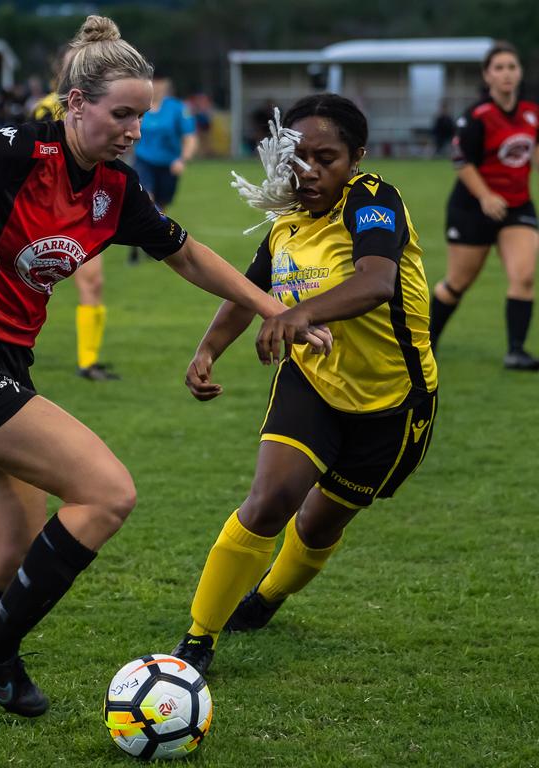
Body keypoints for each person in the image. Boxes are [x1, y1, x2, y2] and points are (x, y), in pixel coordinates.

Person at [0, 15, 327, 716]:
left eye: (143, 115)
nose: (133, 129)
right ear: (76, 105)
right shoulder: (23, 149)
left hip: (2, 364)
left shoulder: (117, 189)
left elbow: (188, 253)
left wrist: (273, 309)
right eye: (121, 114)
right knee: (107, 494)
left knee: (9, 549)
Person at [170, 94, 438, 676]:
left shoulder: (373, 200)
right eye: (297, 157)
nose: (309, 171)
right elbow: (248, 293)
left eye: (327, 157)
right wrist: (208, 348)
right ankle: (197, 640)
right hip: (312, 383)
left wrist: (297, 314)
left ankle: (266, 598)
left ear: (356, 158)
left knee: (319, 524)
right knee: (270, 500)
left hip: (394, 402)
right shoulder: (286, 225)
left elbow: (377, 283)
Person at [429, 42, 539, 371]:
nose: (507, 73)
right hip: (471, 208)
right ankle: (427, 341)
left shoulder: (532, 113)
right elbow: (461, 161)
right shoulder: (477, 116)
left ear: (520, 73)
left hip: (517, 206)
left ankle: (516, 351)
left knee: (525, 275)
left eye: (512, 67)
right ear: (487, 75)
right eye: (499, 67)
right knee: (457, 283)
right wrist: (486, 196)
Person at [33, 47, 118, 380]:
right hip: (43, 213)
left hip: (82, 210)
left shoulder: (98, 108)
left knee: (93, 283)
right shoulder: (45, 109)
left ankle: (88, 362)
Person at [127, 70, 198, 265]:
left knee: (161, 207)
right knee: (145, 200)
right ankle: (135, 247)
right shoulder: (140, 105)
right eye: (153, 81)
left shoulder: (178, 108)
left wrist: (182, 159)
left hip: (168, 165)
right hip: (144, 162)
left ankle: (151, 243)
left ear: (167, 84)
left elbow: (190, 137)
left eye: (160, 81)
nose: (156, 85)